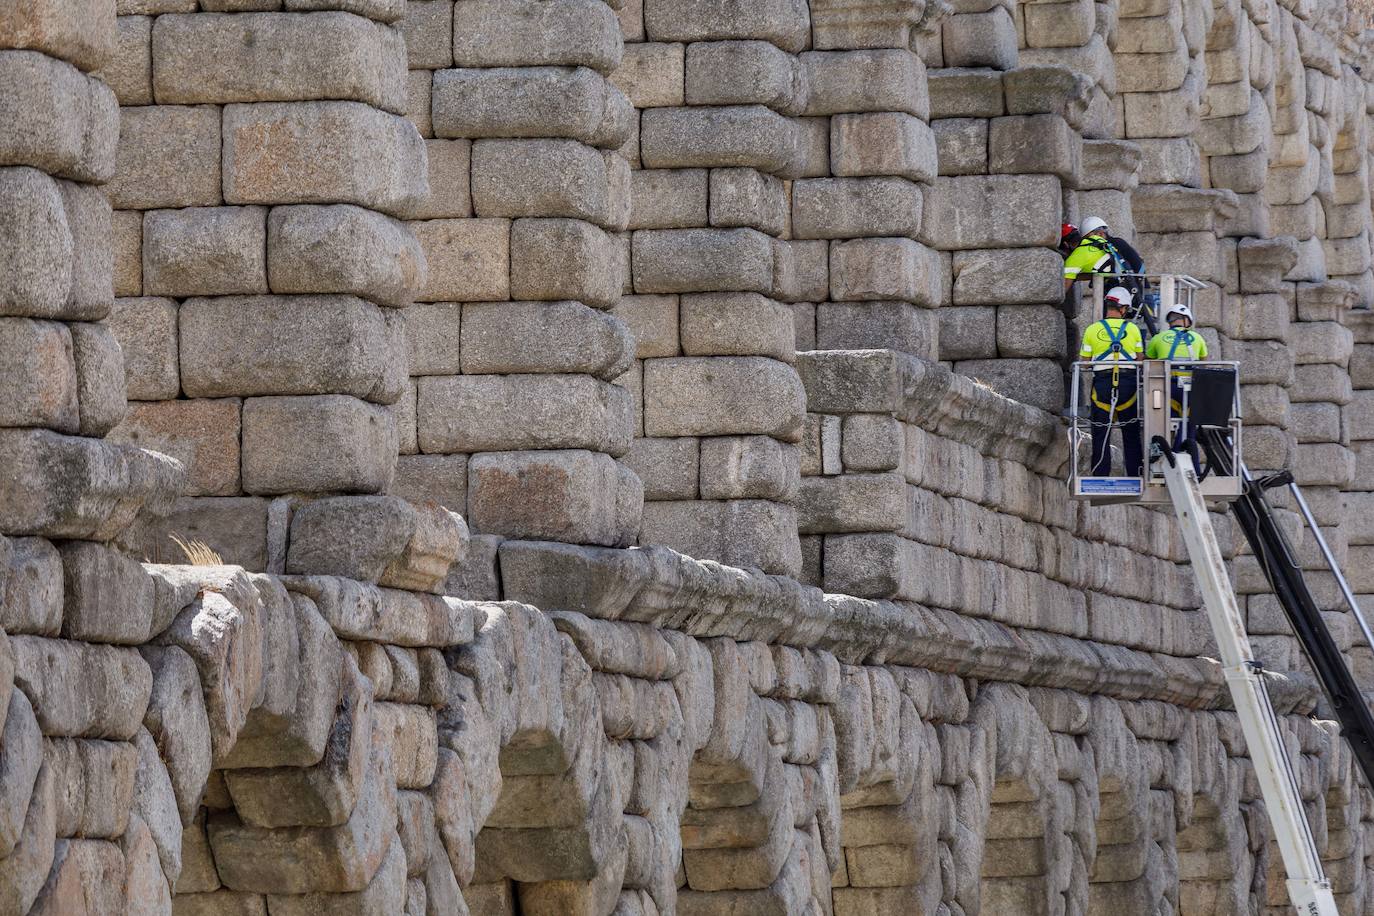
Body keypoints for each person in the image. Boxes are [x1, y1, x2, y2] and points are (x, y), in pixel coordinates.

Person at [1078, 286, 1144, 477]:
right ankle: (1135, 473)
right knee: (1130, 431)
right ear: (1123, 308)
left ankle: (1100, 473)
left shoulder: (1092, 329)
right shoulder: (1133, 329)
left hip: (1102, 384)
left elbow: (1084, 362)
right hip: (1128, 384)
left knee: (1100, 430)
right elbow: (1140, 359)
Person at [1147, 303, 1209, 458]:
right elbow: (1204, 364)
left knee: (1163, 427)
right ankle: (1182, 455)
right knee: (1188, 427)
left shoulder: (1158, 338)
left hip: (1167, 389)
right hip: (1191, 389)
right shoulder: (1197, 338)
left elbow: (1148, 361)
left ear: (1170, 321)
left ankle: (1165, 457)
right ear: (1187, 320)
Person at [1062, 217, 1146, 301]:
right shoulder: (1103, 244)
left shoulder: (1076, 256)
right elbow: (1101, 271)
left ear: (1065, 244)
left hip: (1116, 295)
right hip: (1131, 289)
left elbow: (1063, 290)